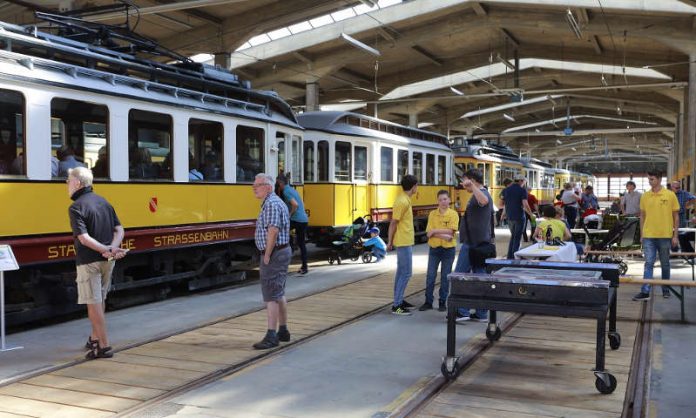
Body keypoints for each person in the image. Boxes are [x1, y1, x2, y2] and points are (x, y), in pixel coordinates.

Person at [67, 167, 126, 359]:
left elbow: (83, 238)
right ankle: (94, 338)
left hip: (88, 261)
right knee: (99, 301)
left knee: (93, 304)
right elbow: (119, 229)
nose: (67, 185)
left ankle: (104, 346)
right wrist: (111, 248)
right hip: (107, 260)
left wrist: (105, 249)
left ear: (77, 183)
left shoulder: (76, 207)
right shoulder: (104, 202)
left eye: (68, 181)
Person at [252, 173, 292, 349]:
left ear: (268, 187)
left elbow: (273, 231)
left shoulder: (271, 204)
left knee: (271, 297)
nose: (254, 188)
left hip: (275, 253)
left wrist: (267, 255)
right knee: (279, 293)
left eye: (257, 185)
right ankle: (282, 330)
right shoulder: (275, 202)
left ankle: (271, 335)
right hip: (280, 252)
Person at [454, 168, 494, 322]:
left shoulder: (483, 195)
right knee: (480, 277)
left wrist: (473, 186)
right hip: (478, 243)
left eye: (465, 181)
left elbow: (483, 201)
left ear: (472, 180)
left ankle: (462, 311)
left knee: (459, 276)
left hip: (473, 244)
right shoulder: (478, 194)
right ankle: (481, 313)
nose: (463, 185)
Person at [633, 171, 679, 301]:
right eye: (649, 179)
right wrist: (642, 234)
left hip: (665, 235)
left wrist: (675, 235)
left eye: (652, 179)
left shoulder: (670, 195)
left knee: (665, 264)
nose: (649, 181)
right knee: (648, 263)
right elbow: (642, 216)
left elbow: (676, 217)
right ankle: (645, 291)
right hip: (649, 236)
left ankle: (666, 289)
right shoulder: (645, 196)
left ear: (659, 179)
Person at [419, 190, 459, 312]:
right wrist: (444, 235)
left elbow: (451, 232)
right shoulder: (432, 214)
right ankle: (428, 301)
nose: (443, 202)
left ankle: (442, 301)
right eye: (440, 199)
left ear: (449, 200)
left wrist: (435, 231)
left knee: (445, 277)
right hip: (434, 249)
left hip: (448, 250)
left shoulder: (453, 214)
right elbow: (428, 232)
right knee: (430, 276)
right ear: (438, 201)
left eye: (445, 199)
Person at [387, 174, 418, 315]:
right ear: (413, 187)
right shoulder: (402, 201)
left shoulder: (405, 199)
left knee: (401, 273)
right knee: (406, 273)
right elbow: (394, 222)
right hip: (403, 241)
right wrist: (389, 242)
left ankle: (399, 300)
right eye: (416, 185)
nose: (417, 188)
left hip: (405, 240)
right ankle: (397, 305)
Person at [276, 174, 309, 274]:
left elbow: (295, 204)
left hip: (297, 220)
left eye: (278, 184)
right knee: (302, 244)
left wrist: (289, 214)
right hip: (303, 219)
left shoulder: (286, 191)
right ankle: (304, 267)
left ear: (281, 183)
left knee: (280, 235)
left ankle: (282, 263)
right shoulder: (293, 189)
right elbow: (302, 203)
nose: (278, 186)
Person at [501, 174, 533, 259]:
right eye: (524, 181)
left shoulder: (506, 190)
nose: (524, 183)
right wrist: (531, 214)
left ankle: (510, 256)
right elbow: (525, 204)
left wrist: (503, 214)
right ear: (521, 181)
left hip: (510, 216)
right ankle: (515, 256)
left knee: (513, 236)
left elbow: (502, 204)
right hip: (519, 216)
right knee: (517, 237)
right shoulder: (522, 190)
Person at [671, 181, 696, 255]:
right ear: (672, 187)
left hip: (681, 215)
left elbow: (694, 198)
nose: (678, 189)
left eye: (679, 187)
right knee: (671, 233)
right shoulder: (668, 194)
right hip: (670, 215)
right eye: (676, 188)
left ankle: (684, 252)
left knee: (681, 232)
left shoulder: (683, 193)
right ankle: (674, 251)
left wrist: (687, 205)